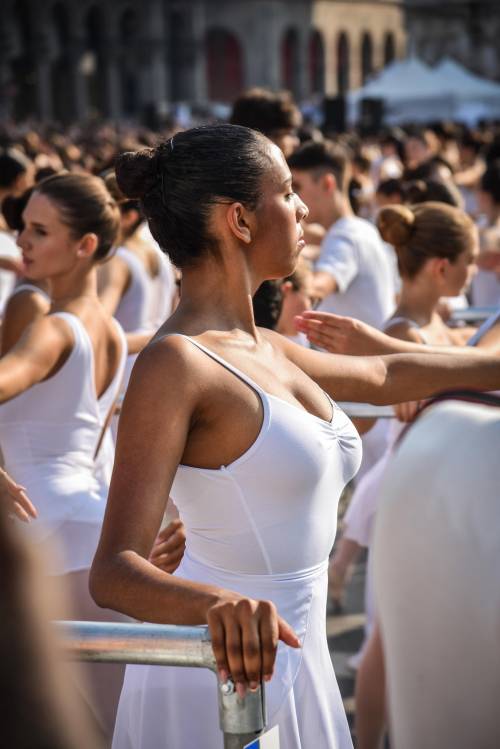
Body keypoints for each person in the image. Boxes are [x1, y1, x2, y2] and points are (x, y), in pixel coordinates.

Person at [88, 125, 500, 749]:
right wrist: (215, 604)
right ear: (240, 222)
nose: (305, 207)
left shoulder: (269, 347)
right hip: (224, 671)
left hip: (295, 658)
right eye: (286, 192)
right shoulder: (177, 363)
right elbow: (114, 572)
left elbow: (386, 374)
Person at [0, 173, 128, 744]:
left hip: (45, 534)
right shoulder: (116, 332)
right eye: (21, 226)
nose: (20, 241)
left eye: (39, 230)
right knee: (106, 728)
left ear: (86, 246)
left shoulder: (53, 329)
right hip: (89, 530)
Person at [288, 140, 396, 329]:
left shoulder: (345, 235)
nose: (293, 198)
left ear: (327, 183)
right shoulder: (361, 228)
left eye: (297, 187)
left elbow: (315, 289)